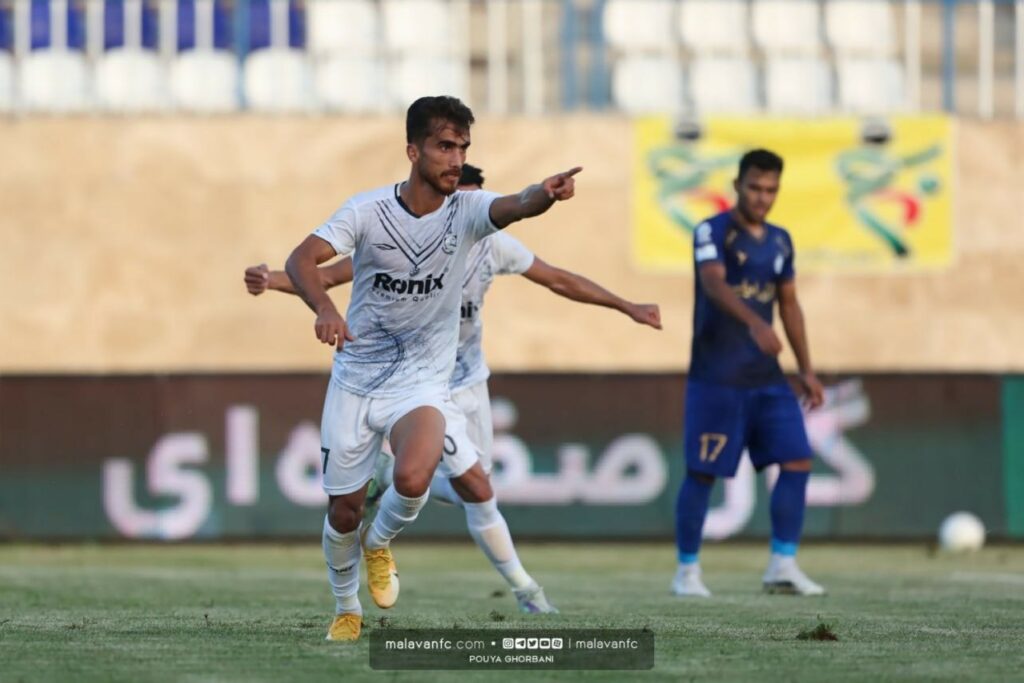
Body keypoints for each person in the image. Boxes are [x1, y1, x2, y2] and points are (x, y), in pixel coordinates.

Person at [246, 163, 662, 617]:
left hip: (469, 382)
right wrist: (272, 281)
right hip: (421, 383)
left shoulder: (493, 244)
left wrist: (627, 306)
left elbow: (558, 277)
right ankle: (526, 590)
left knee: (474, 485)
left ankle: (385, 478)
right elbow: (324, 275)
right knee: (478, 489)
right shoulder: (404, 238)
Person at [284, 96, 581, 641]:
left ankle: (380, 544)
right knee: (343, 512)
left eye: (463, 147)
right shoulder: (366, 212)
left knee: (415, 476)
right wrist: (324, 309)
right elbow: (301, 261)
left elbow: (516, 204)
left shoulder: (467, 212)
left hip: (422, 381)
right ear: (412, 149)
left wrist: (546, 195)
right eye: (446, 146)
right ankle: (347, 607)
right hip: (355, 380)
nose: (455, 158)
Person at [672, 149, 826, 598]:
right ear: (737, 185)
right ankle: (687, 571)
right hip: (716, 375)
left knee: (797, 459)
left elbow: (790, 305)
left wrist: (807, 369)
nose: (763, 198)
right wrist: (754, 321)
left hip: (767, 377)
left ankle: (783, 563)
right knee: (702, 472)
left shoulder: (780, 241)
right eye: (756, 188)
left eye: (771, 190)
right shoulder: (712, 230)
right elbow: (714, 282)